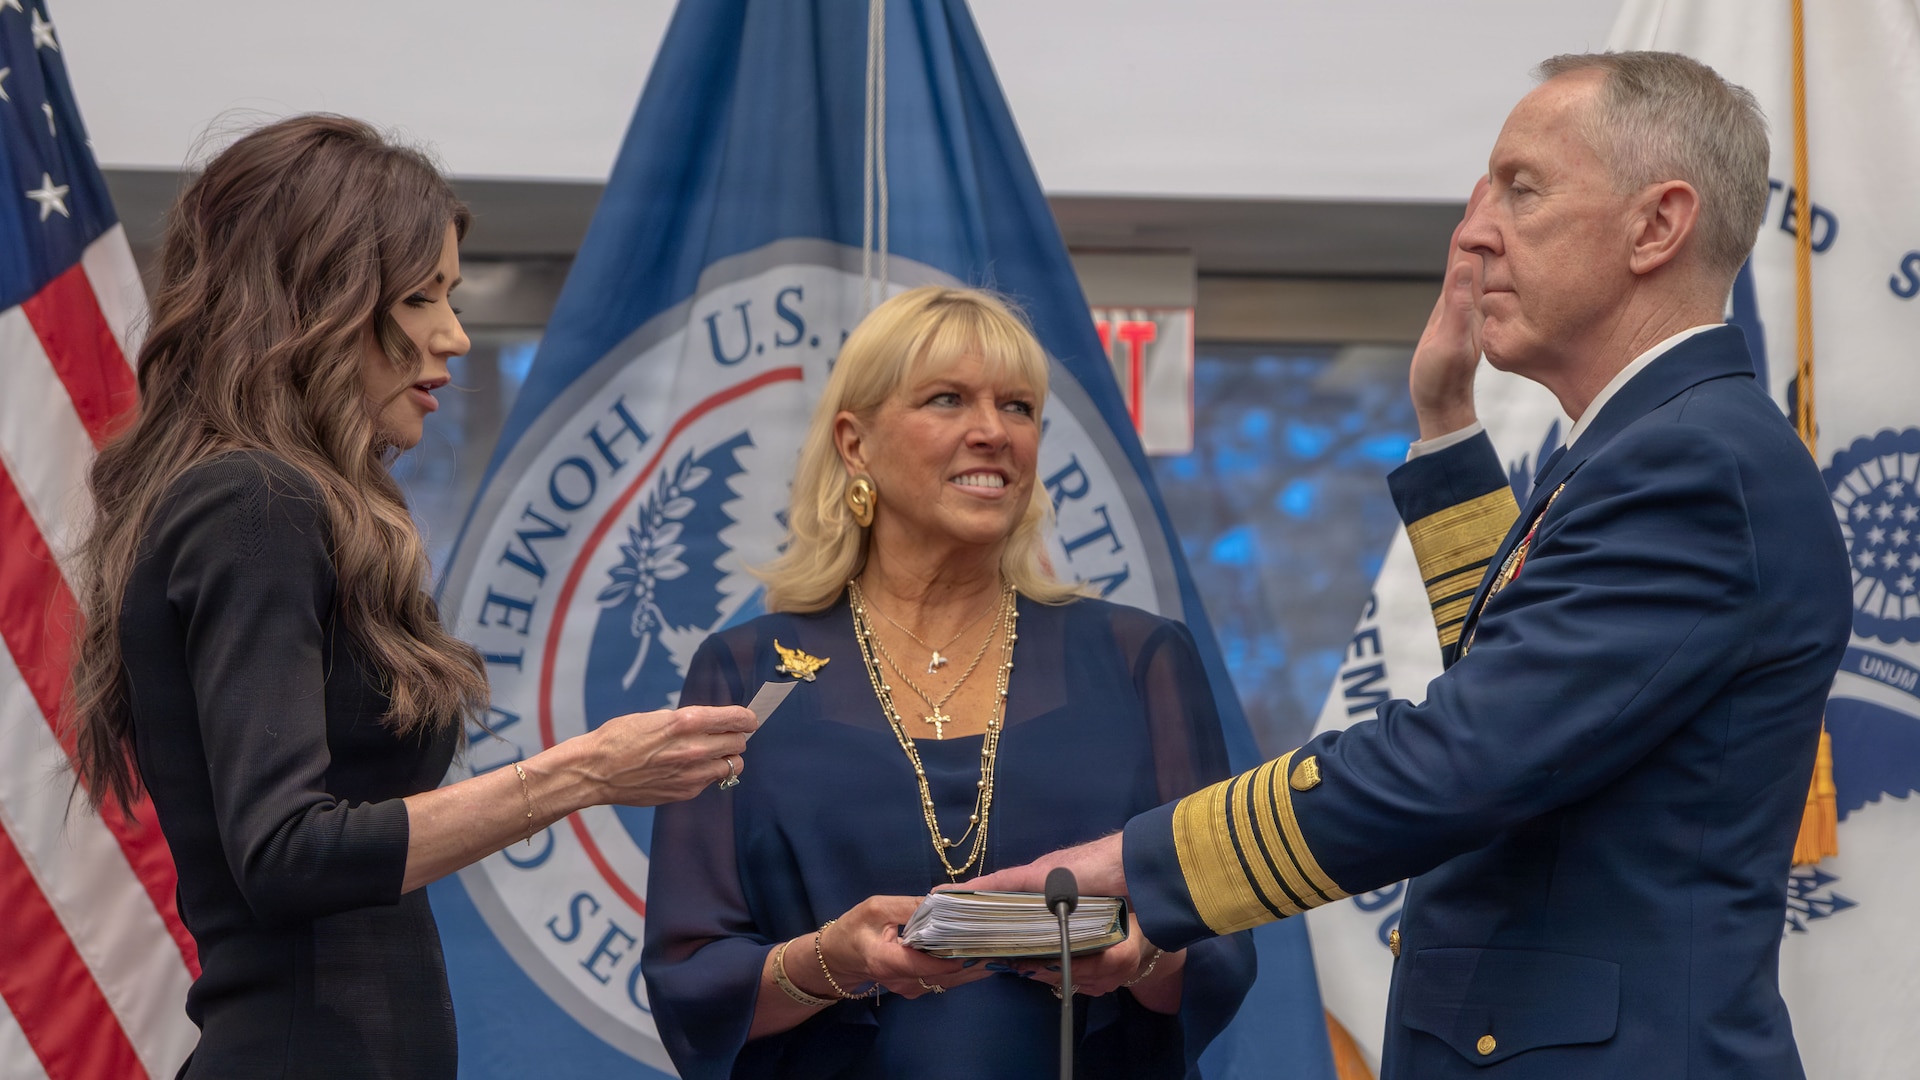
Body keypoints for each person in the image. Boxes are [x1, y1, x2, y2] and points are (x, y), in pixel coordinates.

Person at [969, 52, 1854, 1078]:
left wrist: (1135, 864)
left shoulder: (1690, 459)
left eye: (1522, 190)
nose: (1475, 232)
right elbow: (1522, 687)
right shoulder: (1653, 443)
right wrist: (1444, 425)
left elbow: (1466, 754)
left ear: (1657, 226)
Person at [63, 115, 759, 1080]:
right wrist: (585, 772)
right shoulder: (254, 503)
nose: (457, 335)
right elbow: (287, 852)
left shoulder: (280, 503)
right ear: (322, 297)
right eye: (423, 297)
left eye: (454, 296)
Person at [641, 286, 1255, 1079]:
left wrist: (1141, 959)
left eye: (1019, 407)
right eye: (946, 400)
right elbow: (691, 983)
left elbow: (1220, 944)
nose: (993, 432)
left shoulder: (1143, 660)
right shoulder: (744, 673)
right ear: (854, 444)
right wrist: (834, 958)